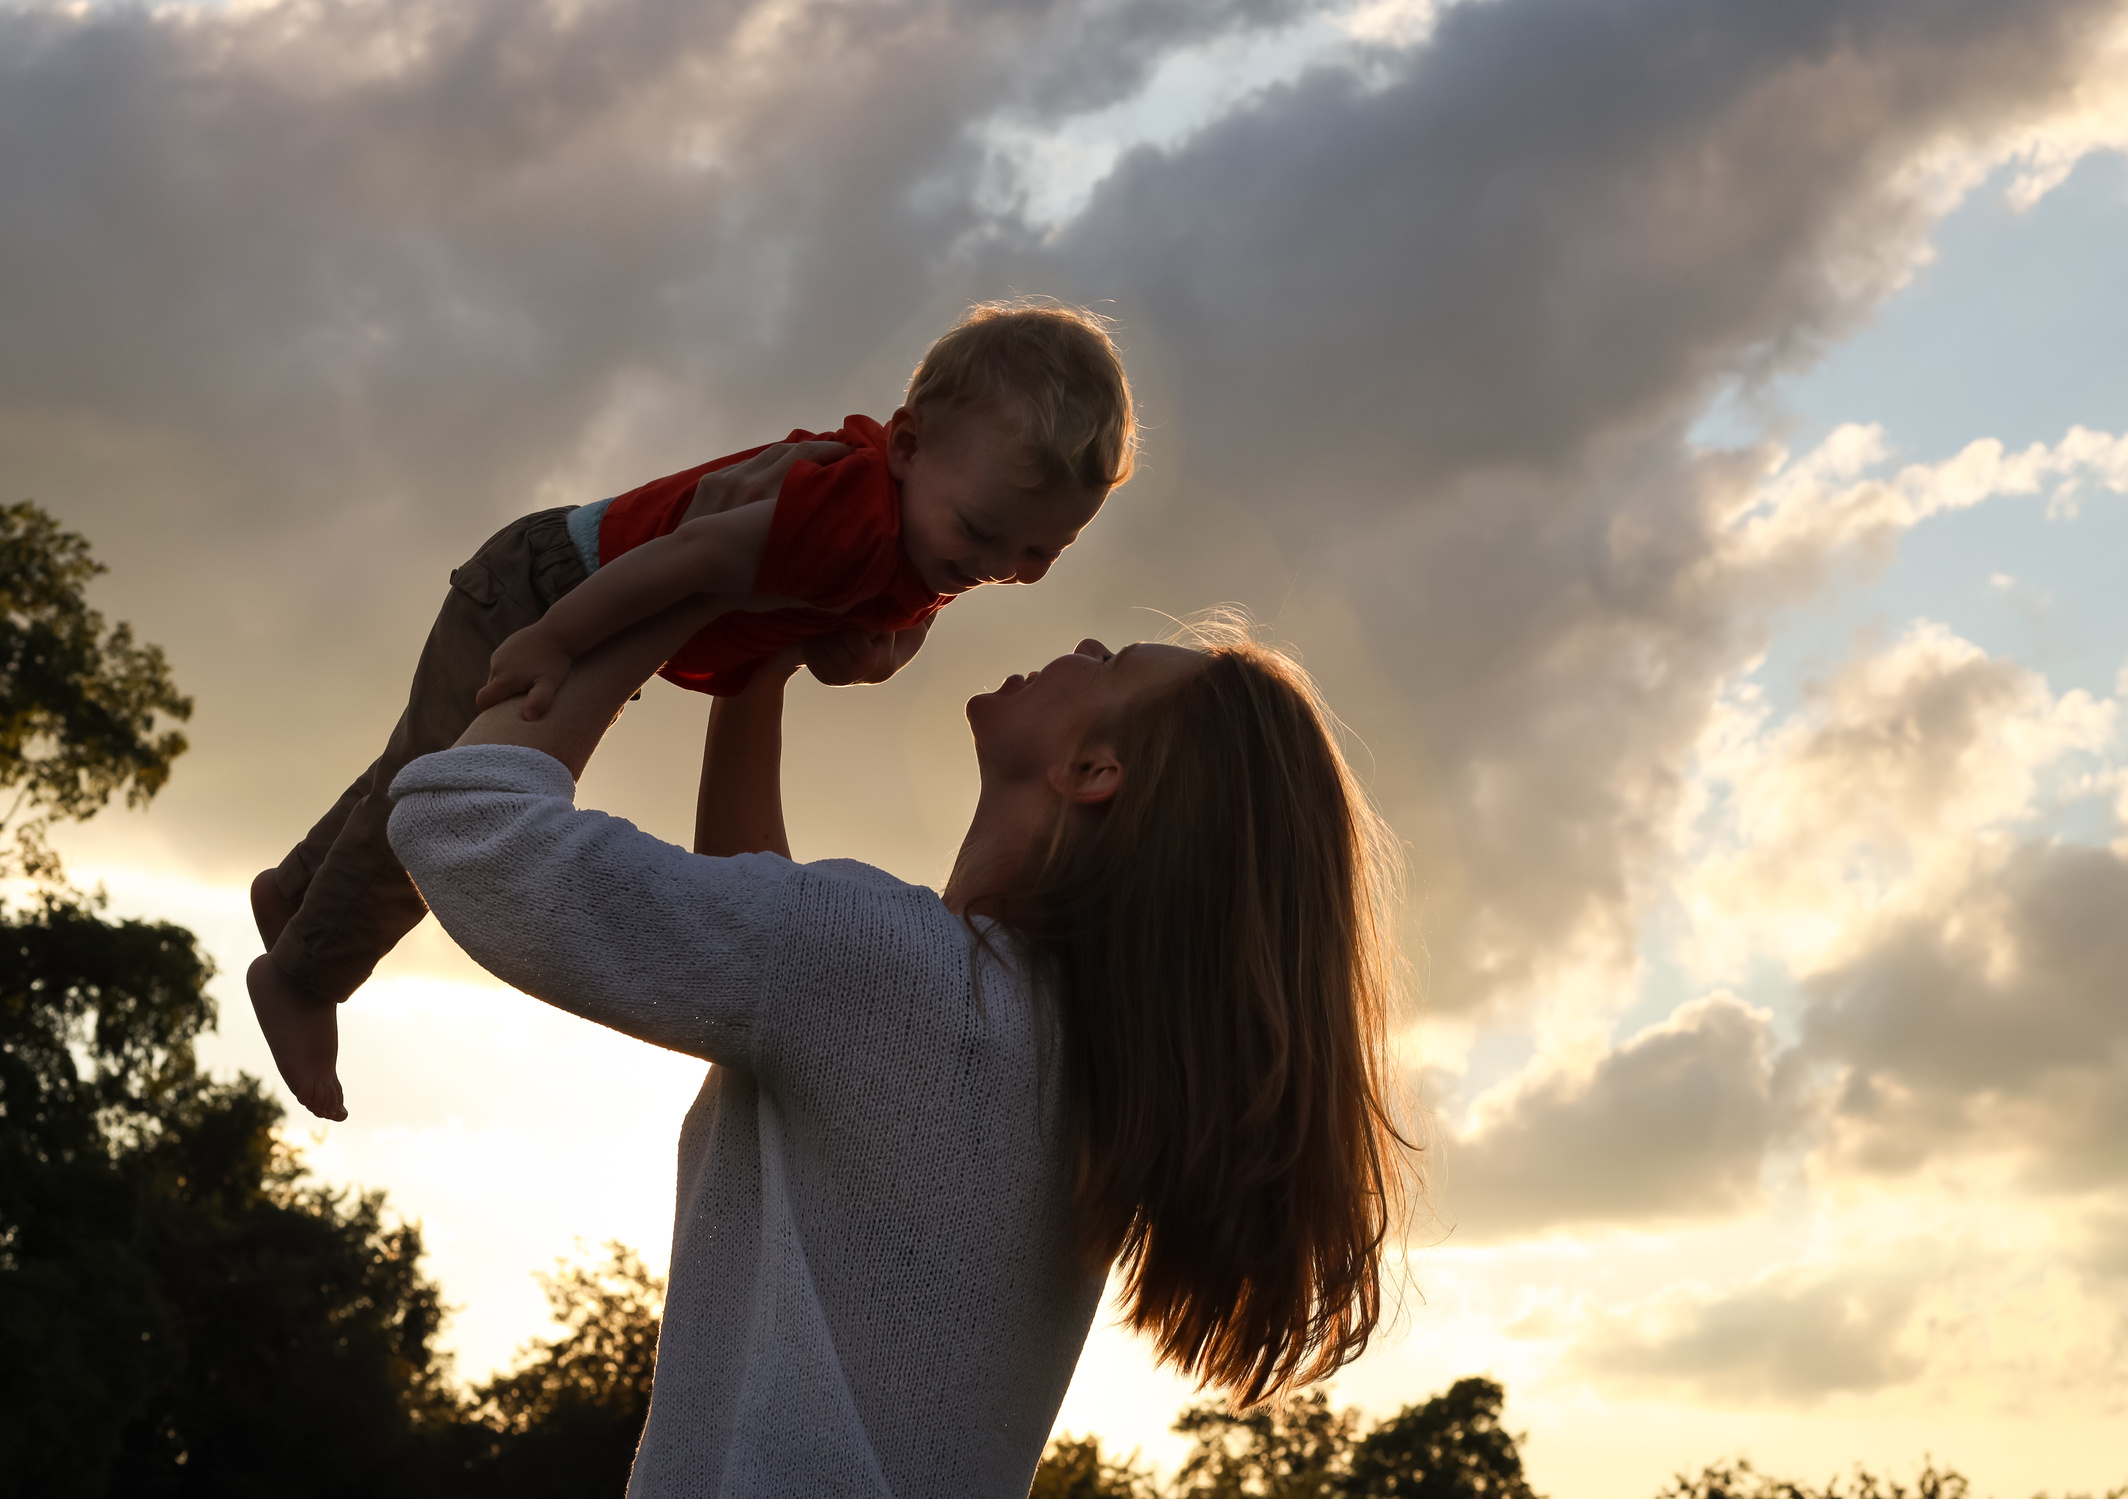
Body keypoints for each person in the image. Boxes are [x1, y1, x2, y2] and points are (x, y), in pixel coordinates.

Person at [381, 598, 1414, 1495]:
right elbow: (768, 961)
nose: (1090, 642)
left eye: (1115, 666)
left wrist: (656, 598)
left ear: (1093, 769)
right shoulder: (1061, 1055)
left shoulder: (895, 975)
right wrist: (759, 661)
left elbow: (471, 827)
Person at [247, 300, 1136, 1120]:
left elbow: (883, 616)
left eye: (1040, 552)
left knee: (418, 759)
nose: (1004, 566)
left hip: (583, 603)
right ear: (906, 449)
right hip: (551, 589)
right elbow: (697, 554)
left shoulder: (933, 529)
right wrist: (558, 636)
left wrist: (879, 649)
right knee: (441, 790)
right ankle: (307, 977)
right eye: (986, 535)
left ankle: (296, 890)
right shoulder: (855, 515)